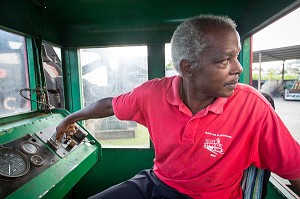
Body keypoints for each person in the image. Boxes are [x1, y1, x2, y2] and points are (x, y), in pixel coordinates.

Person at [56, 14, 300, 199]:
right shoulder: (153, 93)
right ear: (187, 68)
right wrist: (70, 118)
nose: (239, 68)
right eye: (225, 60)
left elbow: (296, 170)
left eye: (236, 56)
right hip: (158, 183)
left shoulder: (252, 107)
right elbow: (110, 105)